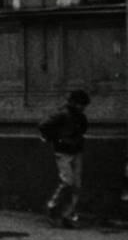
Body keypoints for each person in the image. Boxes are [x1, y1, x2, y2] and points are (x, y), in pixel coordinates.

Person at [39, 89, 91, 227]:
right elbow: (43, 125)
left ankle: (67, 215)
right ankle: (52, 206)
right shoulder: (62, 113)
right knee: (67, 181)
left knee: (76, 185)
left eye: (84, 105)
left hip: (77, 151)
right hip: (63, 152)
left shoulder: (80, 117)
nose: (82, 107)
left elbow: (84, 129)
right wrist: (57, 139)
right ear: (73, 103)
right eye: (80, 104)